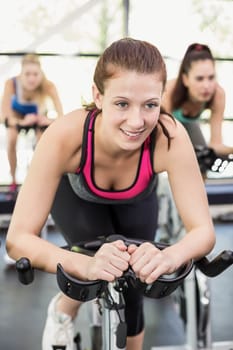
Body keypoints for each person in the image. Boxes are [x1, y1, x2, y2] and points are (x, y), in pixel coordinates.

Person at [6, 38, 215, 350]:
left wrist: (168, 256)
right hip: (77, 197)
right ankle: (63, 310)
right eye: (122, 104)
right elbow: (18, 239)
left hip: (136, 200)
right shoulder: (64, 136)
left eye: (150, 105)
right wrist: (85, 266)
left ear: (161, 100)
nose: (137, 121)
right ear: (98, 96)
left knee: (133, 289)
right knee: (97, 268)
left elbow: (203, 231)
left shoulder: (169, 136)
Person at [1, 53, 63, 192]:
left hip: (39, 115)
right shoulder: (11, 84)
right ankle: (13, 181)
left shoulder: (48, 86)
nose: (31, 78)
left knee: (43, 140)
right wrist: (21, 122)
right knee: (11, 137)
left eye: (35, 74)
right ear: (21, 74)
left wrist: (48, 120)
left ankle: (38, 179)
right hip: (17, 116)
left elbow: (61, 116)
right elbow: (3, 116)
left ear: (41, 74)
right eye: (27, 74)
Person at [162, 42, 233, 158]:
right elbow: (166, 137)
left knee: (202, 160)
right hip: (161, 130)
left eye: (211, 78)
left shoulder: (218, 94)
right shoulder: (169, 91)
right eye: (199, 79)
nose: (207, 85)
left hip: (190, 125)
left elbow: (216, 145)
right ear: (185, 79)